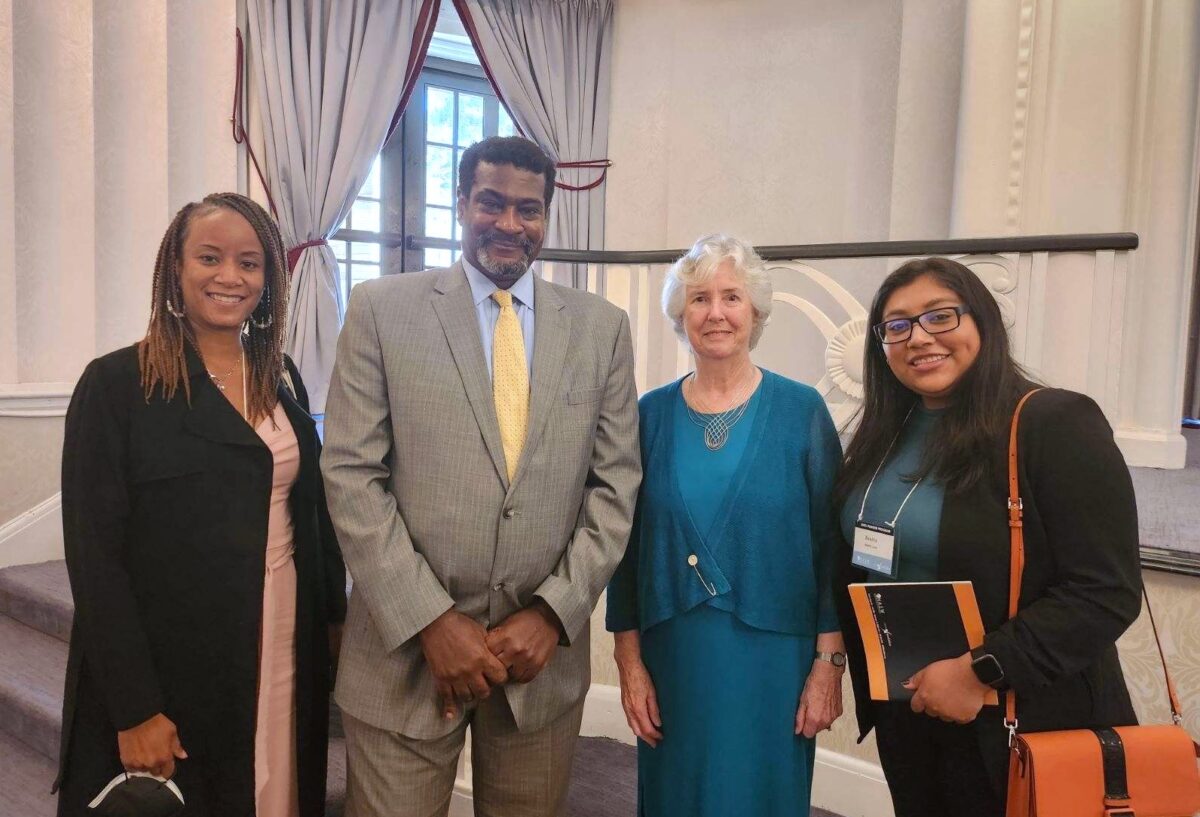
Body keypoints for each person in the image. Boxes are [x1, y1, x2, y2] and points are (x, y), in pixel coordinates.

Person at [321, 135, 641, 817]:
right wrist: (430, 621)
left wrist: (554, 614)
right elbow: (352, 476)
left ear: (547, 217)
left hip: (539, 662)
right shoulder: (381, 310)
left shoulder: (602, 329)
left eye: (529, 209)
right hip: (404, 656)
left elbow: (615, 490)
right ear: (461, 203)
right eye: (491, 203)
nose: (509, 224)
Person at [56, 193, 347, 817]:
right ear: (175, 271)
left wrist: (335, 625)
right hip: (178, 661)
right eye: (209, 257)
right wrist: (135, 706)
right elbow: (94, 558)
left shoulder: (281, 375)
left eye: (250, 263)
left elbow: (311, 514)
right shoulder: (117, 385)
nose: (229, 277)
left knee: (279, 788)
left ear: (269, 279)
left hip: (284, 636)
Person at [834, 257, 1142, 817]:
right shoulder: (883, 436)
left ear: (983, 322)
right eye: (897, 326)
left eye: (940, 316)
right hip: (911, 712)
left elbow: (1104, 591)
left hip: (1021, 718)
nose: (919, 337)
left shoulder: (1053, 422)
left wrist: (980, 672)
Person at [605, 234, 846, 817]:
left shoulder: (801, 412)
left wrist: (828, 665)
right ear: (680, 315)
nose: (715, 313)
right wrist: (629, 664)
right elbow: (625, 550)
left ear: (755, 312)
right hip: (674, 657)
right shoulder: (648, 416)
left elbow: (831, 549)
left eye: (731, 297)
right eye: (699, 299)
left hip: (775, 660)